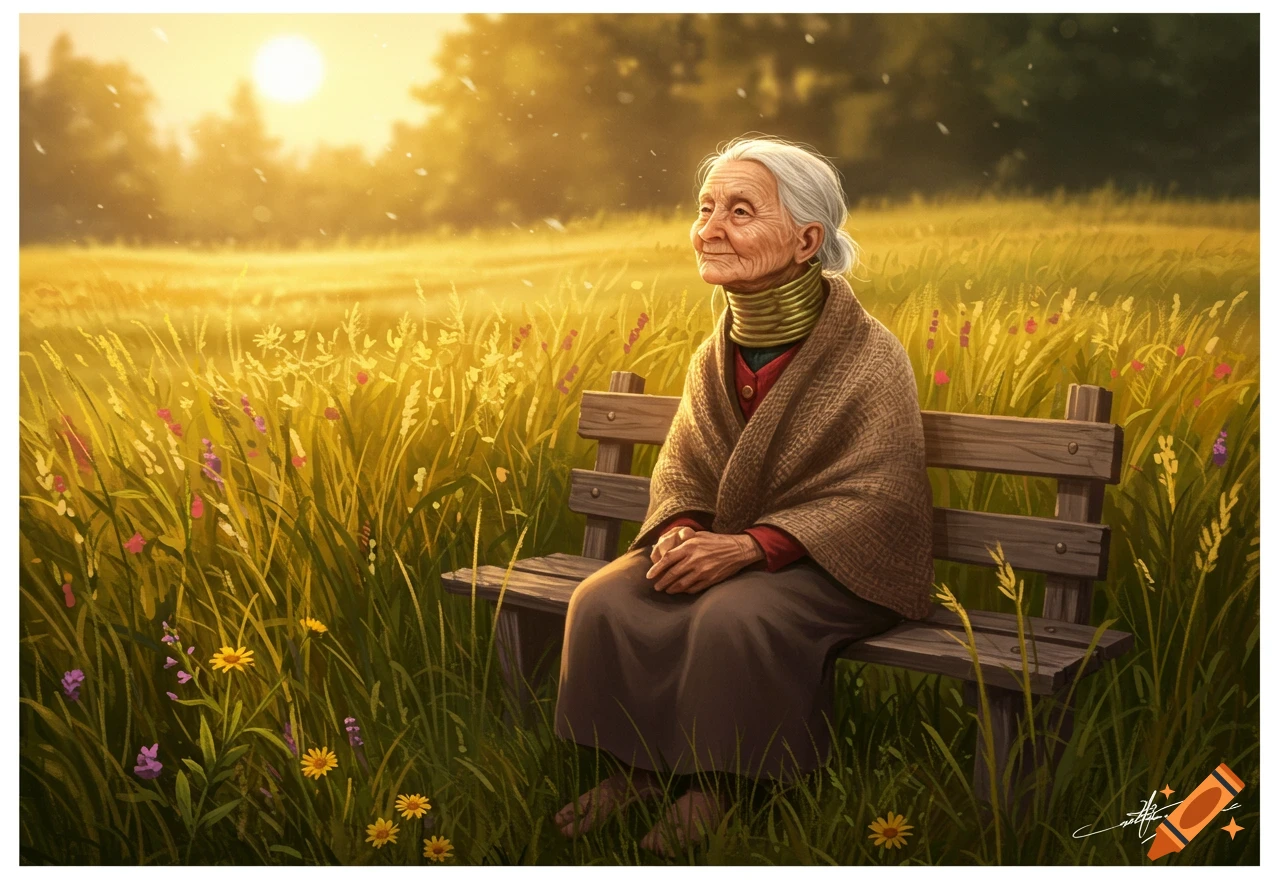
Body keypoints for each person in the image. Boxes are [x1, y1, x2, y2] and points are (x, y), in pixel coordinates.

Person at [552, 135, 935, 856]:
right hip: (723, 543)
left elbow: (878, 495)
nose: (710, 228)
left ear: (805, 240)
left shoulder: (870, 353)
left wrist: (754, 546)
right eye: (705, 208)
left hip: (831, 565)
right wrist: (680, 527)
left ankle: (725, 787)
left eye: (740, 211)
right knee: (604, 598)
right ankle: (634, 766)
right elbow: (685, 464)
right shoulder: (716, 350)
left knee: (735, 616)